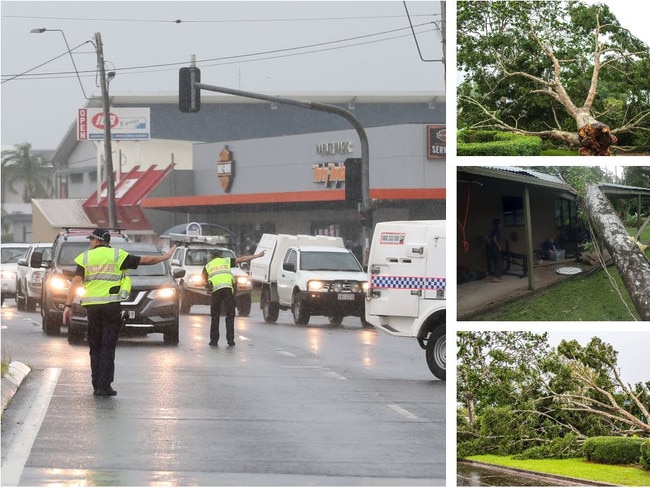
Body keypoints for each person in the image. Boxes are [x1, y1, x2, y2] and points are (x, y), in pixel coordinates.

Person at [62, 228, 177, 396]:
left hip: (92, 308)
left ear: (97, 240)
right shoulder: (118, 255)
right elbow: (144, 260)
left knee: (95, 346)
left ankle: (96, 384)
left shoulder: (85, 257)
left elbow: (75, 282)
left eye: (91, 239)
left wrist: (68, 305)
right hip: (111, 307)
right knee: (108, 346)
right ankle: (104, 386)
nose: (90, 242)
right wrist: (164, 257)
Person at [203, 249, 265, 347]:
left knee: (215, 317)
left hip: (216, 292)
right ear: (221, 256)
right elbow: (243, 258)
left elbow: (204, 282)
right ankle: (230, 341)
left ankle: (214, 341)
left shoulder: (207, 266)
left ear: (211, 257)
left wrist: (208, 287)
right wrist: (257, 255)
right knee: (230, 316)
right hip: (228, 290)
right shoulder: (226, 261)